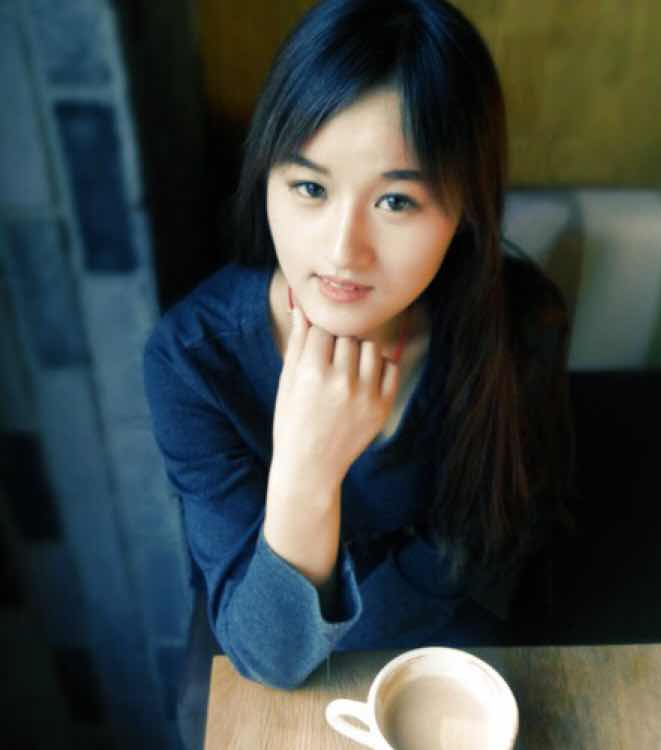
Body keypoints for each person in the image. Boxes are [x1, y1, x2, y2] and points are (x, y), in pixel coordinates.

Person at [143, 0, 574, 697]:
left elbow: (498, 547)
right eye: (310, 187)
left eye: (396, 202)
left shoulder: (520, 325)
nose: (343, 250)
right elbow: (267, 652)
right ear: (267, 179)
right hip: (267, 664)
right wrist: (308, 467)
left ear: (465, 209)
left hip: (440, 649)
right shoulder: (193, 360)